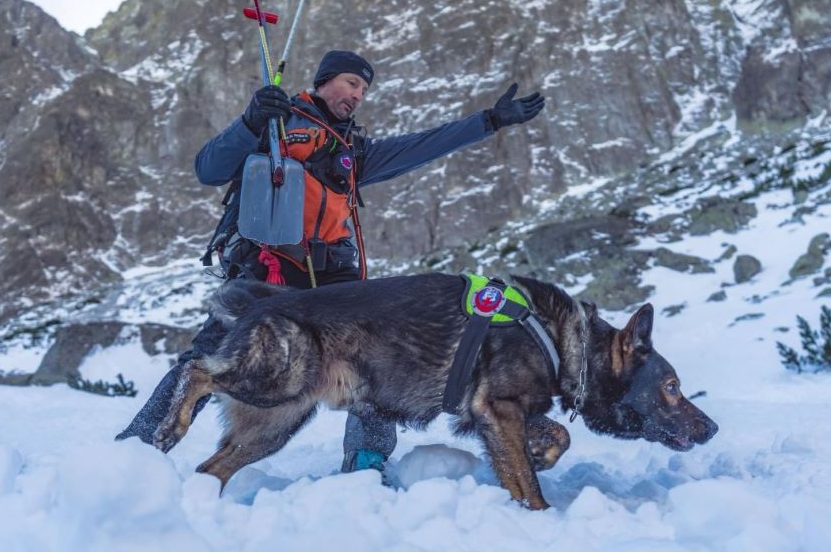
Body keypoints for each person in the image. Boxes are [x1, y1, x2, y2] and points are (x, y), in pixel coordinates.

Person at [116, 50, 545, 478]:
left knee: (376, 359)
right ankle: (136, 450)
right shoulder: (275, 124)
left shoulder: (354, 152)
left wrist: (490, 120)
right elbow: (209, 169)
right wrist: (250, 122)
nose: (358, 95)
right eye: (351, 83)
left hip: (333, 280)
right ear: (323, 82)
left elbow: (421, 146)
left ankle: (366, 461)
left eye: (364, 89)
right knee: (210, 355)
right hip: (267, 270)